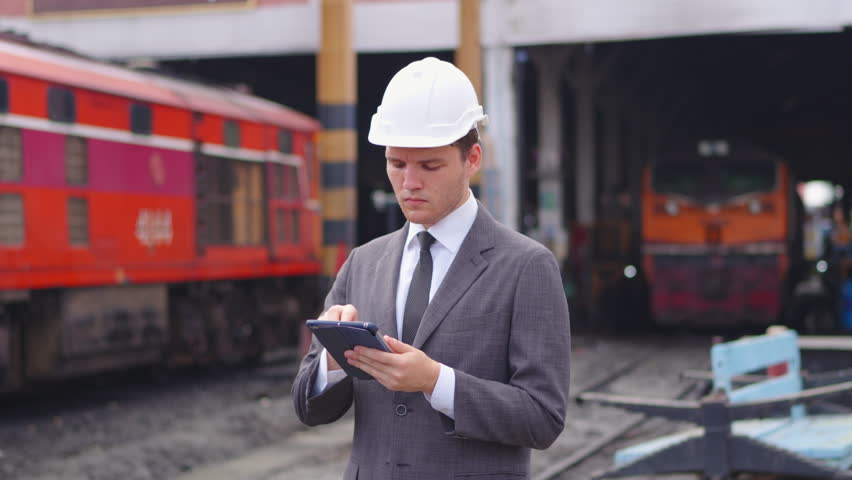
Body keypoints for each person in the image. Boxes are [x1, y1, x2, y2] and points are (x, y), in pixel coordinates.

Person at [292, 57, 571, 479]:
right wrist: (331, 363)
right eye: (397, 164)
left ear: (472, 159)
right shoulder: (362, 264)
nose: (409, 183)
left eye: (430, 166)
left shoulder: (526, 267)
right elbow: (307, 408)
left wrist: (436, 381)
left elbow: (543, 416)